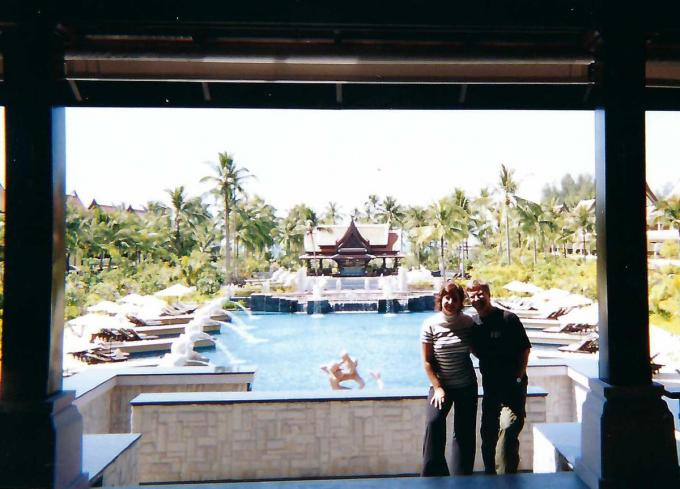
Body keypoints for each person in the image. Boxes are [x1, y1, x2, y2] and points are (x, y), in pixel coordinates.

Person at [466, 279, 531, 475]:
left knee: (508, 429)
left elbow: (525, 350)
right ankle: (490, 477)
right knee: (488, 435)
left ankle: (506, 479)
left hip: (513, 389)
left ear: (488, 294)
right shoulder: (474, 324)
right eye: (472, 295)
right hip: (490, 390)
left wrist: (518, 377)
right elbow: (476, 350)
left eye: (480, 294)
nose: (477, 298)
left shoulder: (508, 319)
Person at [420, 281, 477, 476]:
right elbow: (427, 362)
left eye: (454, 298)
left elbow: (478, 350)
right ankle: (432, 477)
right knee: (434, 423)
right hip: (440, 386)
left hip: (466, 385)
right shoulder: (430, 324)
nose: (450, 302)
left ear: (461, 301)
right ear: (440, 299)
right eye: (446, 297)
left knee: (464, 433)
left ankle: (462, 478)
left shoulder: (468, 322)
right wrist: (437, 387)